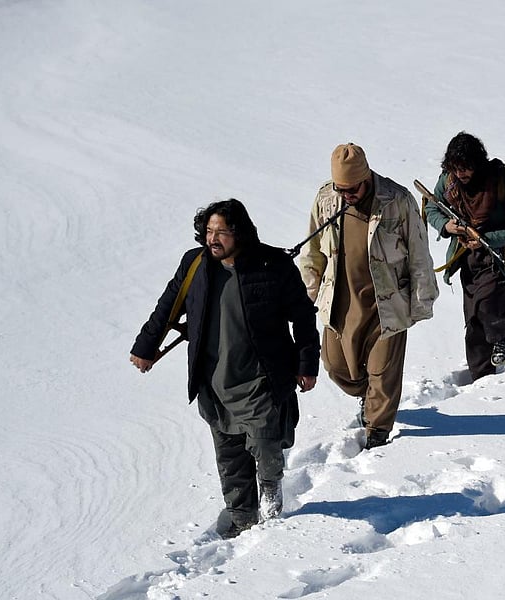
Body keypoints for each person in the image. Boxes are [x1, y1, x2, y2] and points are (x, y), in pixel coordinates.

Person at [130, 199, 320, 539]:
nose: (212, 239)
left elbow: (304, 316)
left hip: (261, 377)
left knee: (266, 446)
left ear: (240, 233)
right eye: (208, 231)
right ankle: (243, 518)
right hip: (214, 381)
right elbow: (168, 306)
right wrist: (145, 346)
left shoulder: (271, 265)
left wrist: (307, 364)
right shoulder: (194, 265)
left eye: (221, 232)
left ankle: (272, 500)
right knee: (230, 458)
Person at [299, 143, 438, 450]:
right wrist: (306, 294)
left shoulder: (397, 200)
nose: (347, 195)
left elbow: (418, 253)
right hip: (340, 300)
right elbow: (312, 253)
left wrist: (421, 299)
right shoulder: (326, 199)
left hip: (387, 303)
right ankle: (369, 396)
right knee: (336, 367)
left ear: (366, 178)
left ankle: (377, 431)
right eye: (341, 189)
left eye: (352, 189)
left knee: (383, 371)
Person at [424, 132, 505, 381]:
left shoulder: (504, 181)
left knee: (486, 308)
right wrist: (447, 226)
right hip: (468, 260)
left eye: (466, 168)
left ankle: (502, 334)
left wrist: (488, 239)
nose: (461, 174)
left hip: (500, 258)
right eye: (456, 168)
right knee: (472, 320)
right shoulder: (449, 182)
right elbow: (432, 206)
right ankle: (482, 378)